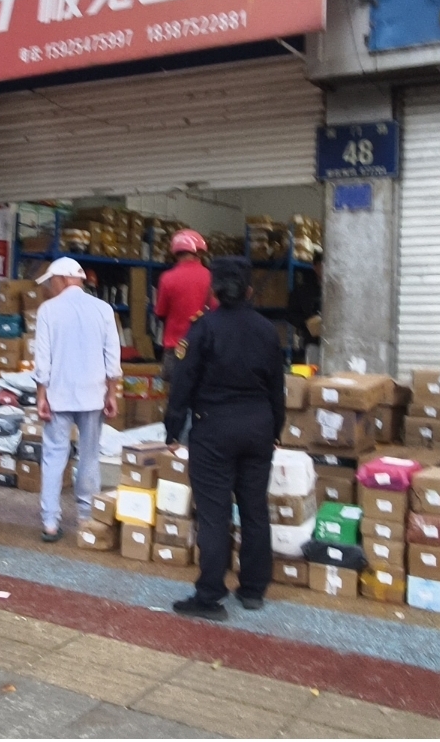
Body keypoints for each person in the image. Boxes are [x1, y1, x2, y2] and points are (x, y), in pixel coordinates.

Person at [163, 256, 285, 622]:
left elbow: (182, 383)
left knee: (214, 514)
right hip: (258, 427)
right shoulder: (268, 330)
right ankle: (253, 590)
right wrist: (276, 430)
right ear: (249, 290)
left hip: (213, 428)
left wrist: (172, 429)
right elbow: (277, 388)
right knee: (254, 509)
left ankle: (210, 595)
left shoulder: (203, 329)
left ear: (213, 291)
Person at [32, 256, 122, 542]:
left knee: (54, 456)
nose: (49, 288)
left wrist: (41, 394)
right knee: (90, 455)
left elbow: (42, 358)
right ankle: (86, 516)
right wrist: (111, 393)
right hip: (93, 394)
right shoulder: (103, 309)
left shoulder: (48, 310)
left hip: (58, 394)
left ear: (61, 279)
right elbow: (113, 357)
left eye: (51, 282)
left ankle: (50, 522)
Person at [154, 231, 215, 381]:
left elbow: (160, 312)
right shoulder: (210, 277)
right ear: (198, 252)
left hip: (175, 349)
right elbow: (215, 310)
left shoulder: (167, 278)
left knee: (174, 392)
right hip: (203, 348)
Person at [286, 253, 323, 365]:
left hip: (335, 342)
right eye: (322, 265)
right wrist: (307, 323)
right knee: (313, 371)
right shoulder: (303, 290)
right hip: (313, 342)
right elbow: (291, 314)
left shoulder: (337, 289)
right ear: (315, 267)